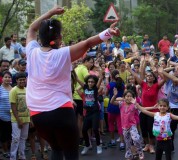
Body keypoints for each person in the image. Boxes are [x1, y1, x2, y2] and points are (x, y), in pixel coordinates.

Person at [25, 6, 119, 160]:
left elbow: (31, 28)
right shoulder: (63, 54)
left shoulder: (31, 52)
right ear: (58, 39)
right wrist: (108, 32)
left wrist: (50, 14)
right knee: (70, 154)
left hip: (38, 115)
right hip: (61, 111)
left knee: (56, 149)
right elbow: (88, 43)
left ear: (40, 37)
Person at [127, 60, 166, 154]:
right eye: (147, 76)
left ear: (153, 78)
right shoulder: (143, 84)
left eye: (151, 76)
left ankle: (152, 145)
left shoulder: (156, 86)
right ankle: (147, 144)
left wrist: (160, 71)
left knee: (151, 128)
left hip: (153, 111)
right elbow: (136, 76)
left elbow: (165, 79)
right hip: (143, 110)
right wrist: (130, 70)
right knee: (143, 129)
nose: (148, 77)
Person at [110, 89, 144, 160]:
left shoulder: (134, 105)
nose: (128, 98)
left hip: (132, 126)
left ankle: (140, 152)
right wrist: (115, 95)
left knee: (136, 138)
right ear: (124, 97)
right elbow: (112, 102)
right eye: (127, 96)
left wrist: (135, 103)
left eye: (130, 96)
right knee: (127, 142)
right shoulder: (121, 104)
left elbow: (142, 108)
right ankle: (129, 155)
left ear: (133, 98)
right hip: (124, 127)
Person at [76, 74, 103, 155]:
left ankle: (98, 145)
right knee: (84, 130)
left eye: (92, 82)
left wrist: (101, 75)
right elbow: (77, 79)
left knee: (95, 129)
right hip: (88, 112)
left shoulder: (95, 89)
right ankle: (87, 145)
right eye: (89, 82)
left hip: (95, 112)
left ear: (94, 83)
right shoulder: (85, 87)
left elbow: (100, 79)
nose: (90, 83)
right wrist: (72, 69)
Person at [9, 72, 29, 160]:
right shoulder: (13, 90)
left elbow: (29, 105)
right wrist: (18, 120)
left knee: (23, 138)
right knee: (16, 138)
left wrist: (30, 119)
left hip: (26, 118)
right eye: (20, 80)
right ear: (16, 80)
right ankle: (12, 157)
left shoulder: (27, 90)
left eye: (23, 79)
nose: (22, 81)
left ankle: (22, 155)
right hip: (16, 119)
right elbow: (13, 106)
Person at [106, 70, 125, 150]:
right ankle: (122, 143)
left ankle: (113, 141)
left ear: (112, 76)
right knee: (120, 125)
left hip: (111, 104)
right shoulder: (123, 84)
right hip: (120, 106)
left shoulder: (110, 85)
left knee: (111, 123)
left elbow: (106, 93)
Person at [0, 71, 12, 158]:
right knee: (3, 135)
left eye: (9, 77)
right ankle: (5, 151)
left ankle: (10, 150)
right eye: (5, 77)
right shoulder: (0, 89)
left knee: (10, 135)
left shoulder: (13, 89)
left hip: (12, 116)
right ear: (2, 78)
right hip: (1, 116)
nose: (7, 78)